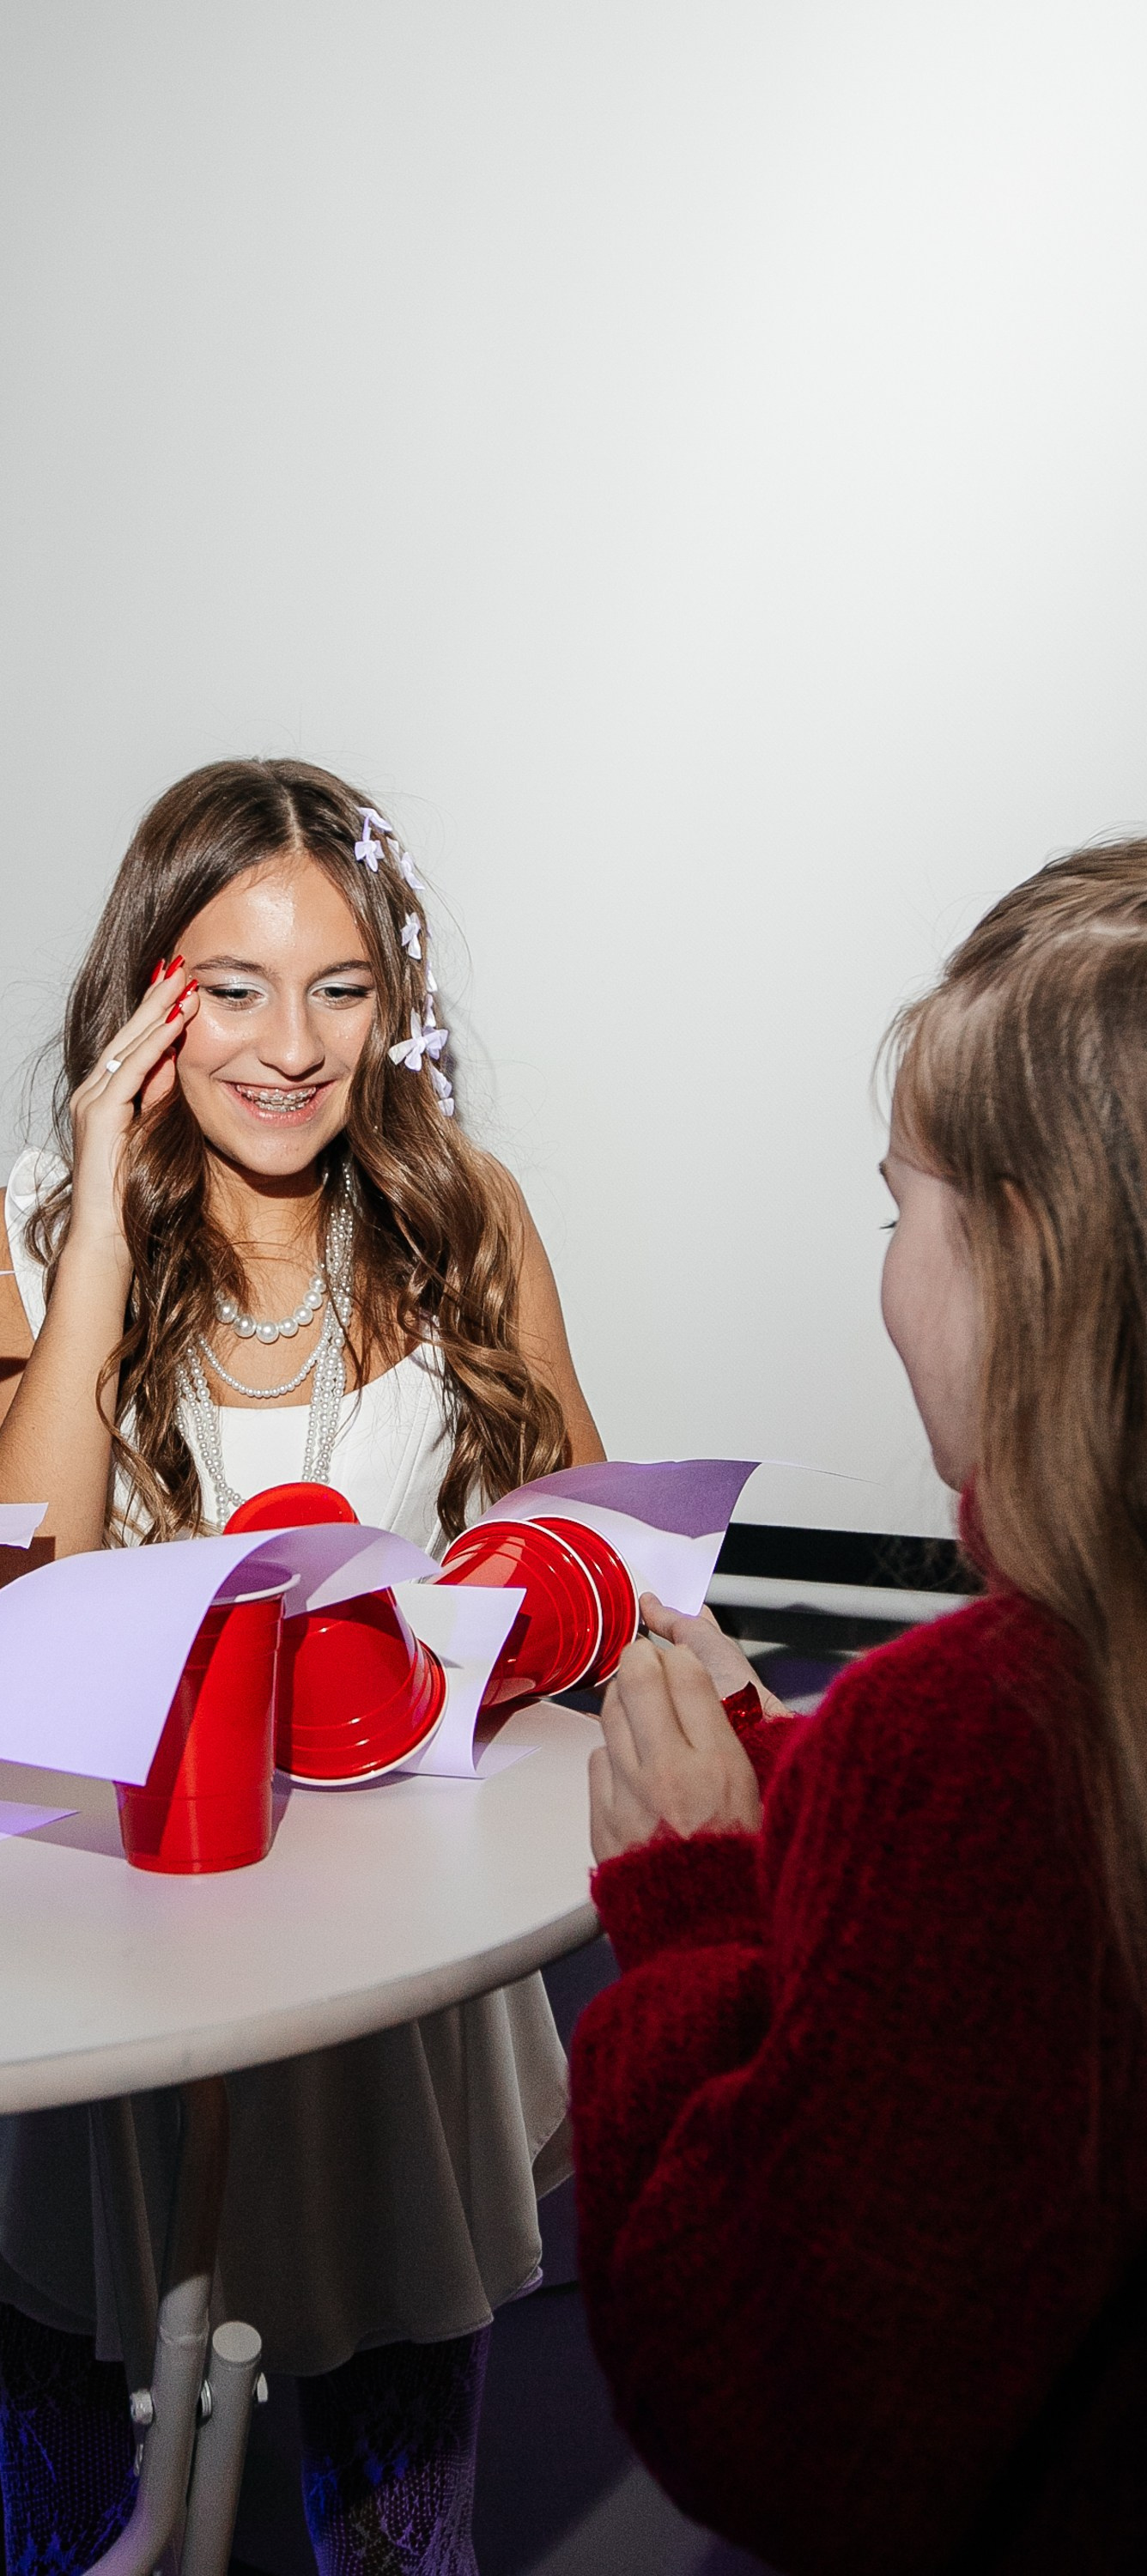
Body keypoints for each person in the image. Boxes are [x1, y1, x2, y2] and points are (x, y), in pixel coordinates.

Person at [0, 756, 604, 2576]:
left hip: (391, 2003)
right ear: (146, 995)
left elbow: (580, 1572)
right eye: (230, 988)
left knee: (405, 2546)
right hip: (98, 1981)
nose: (291, 1046)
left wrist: (467, 1624)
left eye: (340, 988)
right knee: (79, 2541)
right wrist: (87, 1205)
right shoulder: (12, 1242)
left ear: (394, 1005)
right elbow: (3, 1618)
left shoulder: (466, 1213)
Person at [571, 839, 1147, 2574]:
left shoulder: (974, 1736)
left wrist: (690, 1908)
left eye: (898, 1214)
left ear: (1022, 1255)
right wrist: (809, 1780)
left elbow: (780, 2414)